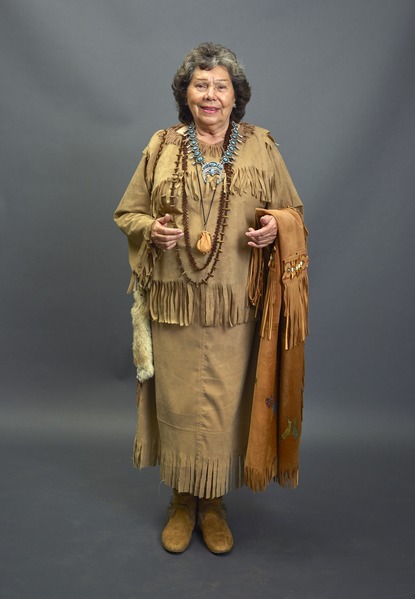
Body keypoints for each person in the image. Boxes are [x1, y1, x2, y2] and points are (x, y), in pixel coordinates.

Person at [114, 42, 307, 554]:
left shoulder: (261, 145)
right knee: (177, 404)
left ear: (235, 95)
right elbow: (126, 213)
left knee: (224, 407)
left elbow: (292, 210)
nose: (211, 95)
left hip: (233, 308)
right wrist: (150, 230)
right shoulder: (162, 145)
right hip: (174, 305)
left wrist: (275, 229)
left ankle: (215, 504)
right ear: (186, 93)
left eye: (221, 85)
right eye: (201, 85)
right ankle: (181, 500)